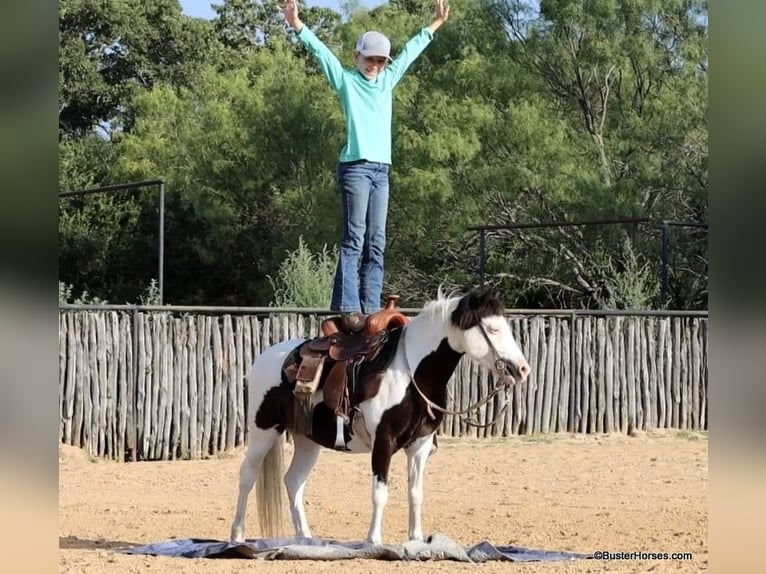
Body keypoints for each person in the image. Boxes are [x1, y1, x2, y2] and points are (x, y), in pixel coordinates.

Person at [281, 0, 450, 330]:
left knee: (377, 241)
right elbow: (321, 53)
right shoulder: (346, 81)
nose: (374, 64)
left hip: (381, 171)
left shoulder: (387, 80)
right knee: (354, 239)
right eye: (369, 58)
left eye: (379, 60)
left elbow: (411, 51)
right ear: (357, 57)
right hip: (356, 168)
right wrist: (296, 24)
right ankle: (349, 306)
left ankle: (372, 307)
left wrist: (436, 24)